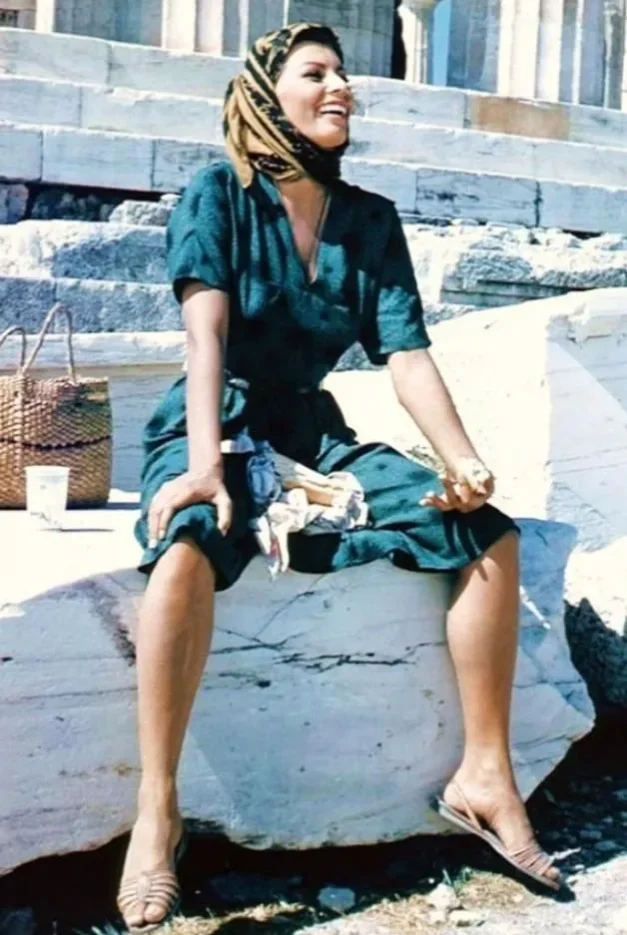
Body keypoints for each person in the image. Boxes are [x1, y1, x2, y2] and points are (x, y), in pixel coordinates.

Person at [117, 22, 562, 933]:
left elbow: (405, 356)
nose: (342, 89)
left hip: (312, 433)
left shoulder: (370, 220)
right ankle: (155, 815)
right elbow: (203, 336)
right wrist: (205, 463)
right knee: (188, 546)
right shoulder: (217, 196)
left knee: (486, 535)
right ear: (265, 96)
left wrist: (459, 457)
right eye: (316, 74)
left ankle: (485, 775)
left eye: (345, 74)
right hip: (219, 417)